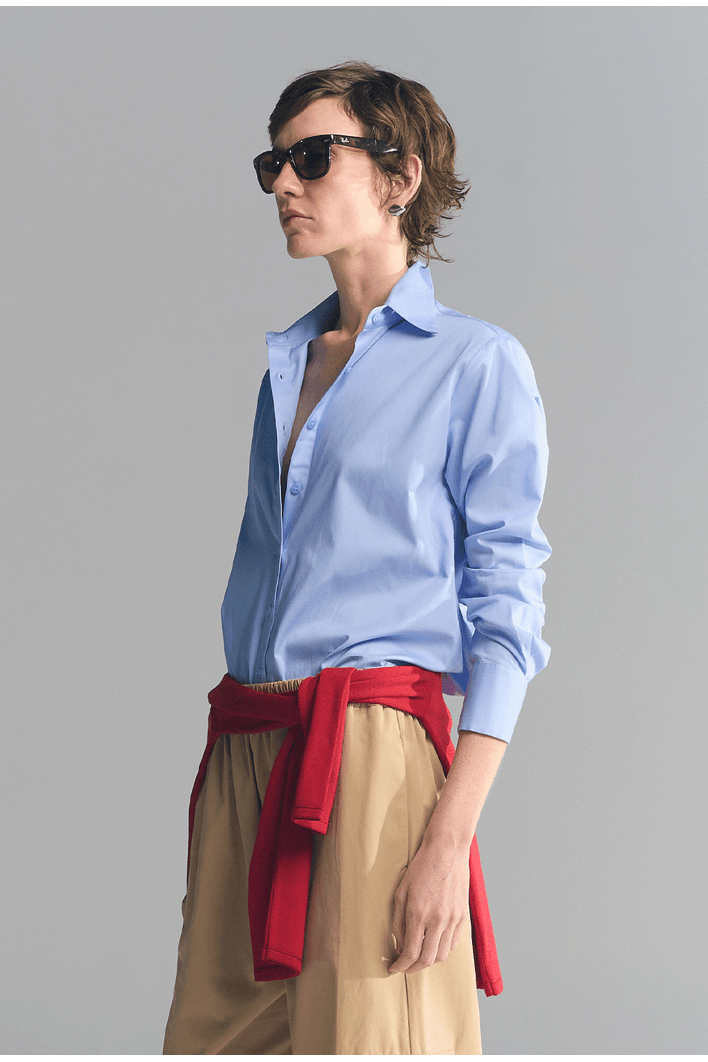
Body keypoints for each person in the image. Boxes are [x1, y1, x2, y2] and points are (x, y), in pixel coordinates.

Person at [163, 61, 551, 1056]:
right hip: (250, 744)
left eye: (311, 157)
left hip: (369, 752)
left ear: (400, 176)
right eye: (273, 164)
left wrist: (449, 837)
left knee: (376, 1041)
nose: (283, 185)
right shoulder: (287, 365)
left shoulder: (475, 363)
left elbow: (507, 610)